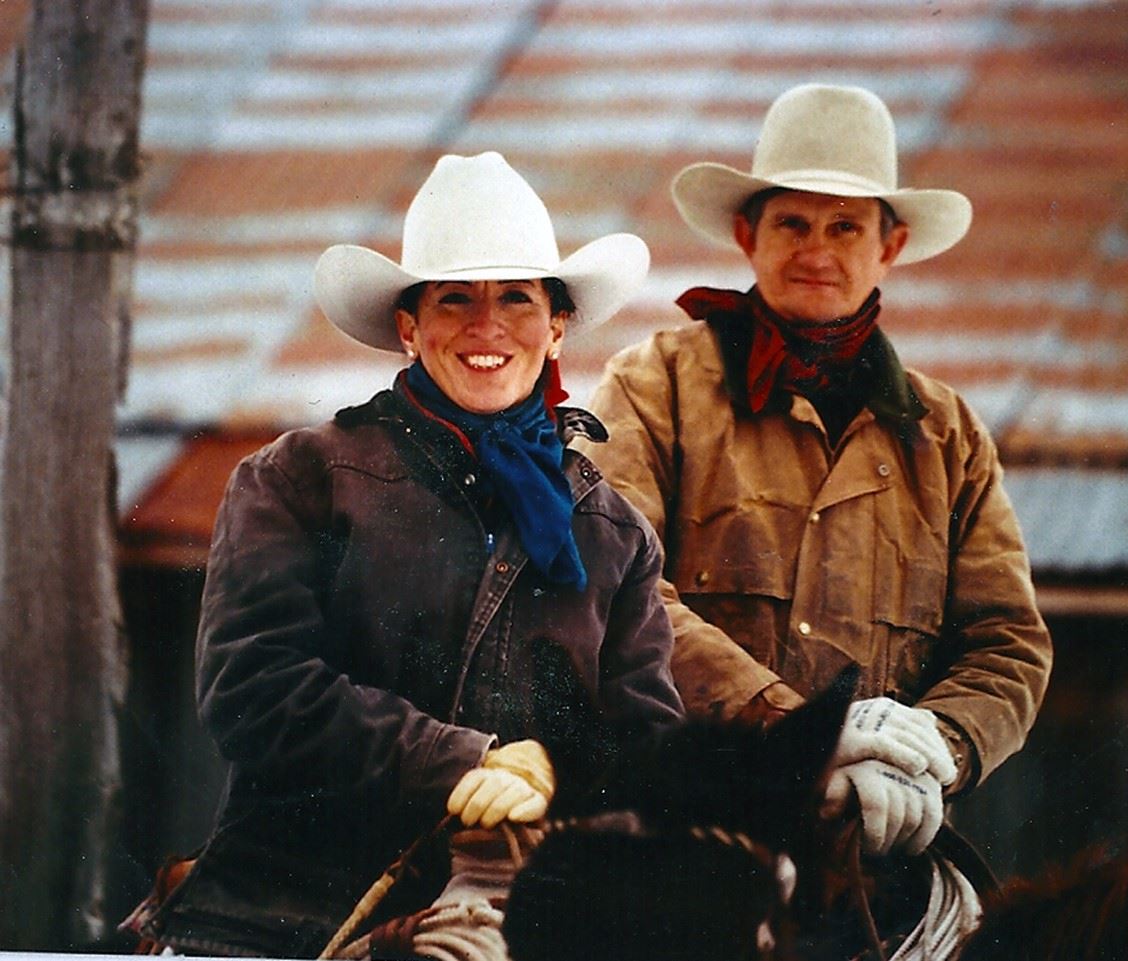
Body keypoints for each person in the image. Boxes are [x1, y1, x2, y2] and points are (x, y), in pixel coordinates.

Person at [134, 151, 683, 959]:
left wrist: (550, 776)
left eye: (517, 299)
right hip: (287, 908)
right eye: (454, 297)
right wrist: (460, 762)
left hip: (522, 914)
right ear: (408, 325)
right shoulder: (298, 477)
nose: (486, 325)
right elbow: (252, 685)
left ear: (557, 323)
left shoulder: (616, 532)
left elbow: (650, 747)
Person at [574, 84, 1053, 858]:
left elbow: (1009, 642)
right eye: (792, 222)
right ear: (746, 234)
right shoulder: (652, 384)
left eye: (845, 226)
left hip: (881, 838)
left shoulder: (948, 434)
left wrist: (936, 748)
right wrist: (797, 733)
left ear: (888, 246)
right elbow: (611, 589)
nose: (817, 249)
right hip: (689, 826)